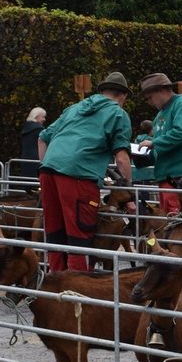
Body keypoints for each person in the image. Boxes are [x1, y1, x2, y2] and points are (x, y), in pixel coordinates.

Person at [38, 71, 134, 271]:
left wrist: (47, 166)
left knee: (55, 232)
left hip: (48, 170)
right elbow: (122, 158)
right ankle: (77, 286)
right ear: (123, 96)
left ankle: (55, 281)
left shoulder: (74, 108)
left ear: (102, 91)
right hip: (79, 174)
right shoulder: (118, 114)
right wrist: (129, 194)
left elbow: (42, 138)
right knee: (79, 236)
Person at [137, 72, 182, 216]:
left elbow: (181, 133)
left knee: (176, 220)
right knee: (167, 220)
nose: (149, 102)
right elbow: (161, 146)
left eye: (150, 97)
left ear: (161, 90)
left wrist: (153, 143)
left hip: (180, 177)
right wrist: (140, 155)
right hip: (167, 176)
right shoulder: (159, 115)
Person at [15, 107, 47, 179]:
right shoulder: (39, 129)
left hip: (25, 159)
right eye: (43, 117)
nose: (44, 119)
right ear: (36, 116)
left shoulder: (26, 129)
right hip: (37, 160)